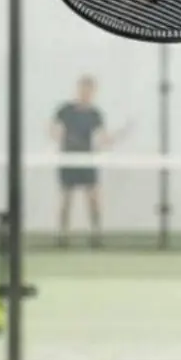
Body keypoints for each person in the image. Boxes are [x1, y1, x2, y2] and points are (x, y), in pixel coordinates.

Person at [50, 76, 116, 247]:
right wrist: (58, 135)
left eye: (89, 90)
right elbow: (54, 129)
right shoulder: (65, 110)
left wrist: (106, 141)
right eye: (82, 89)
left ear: (93, 92)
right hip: (68, 159)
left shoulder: (95, 114)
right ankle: (62, 235)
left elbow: (102, 136)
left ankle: (96, 234)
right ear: (78, 90)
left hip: (87, 160)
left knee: (93, 197)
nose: (85, 93)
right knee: (66, 198)